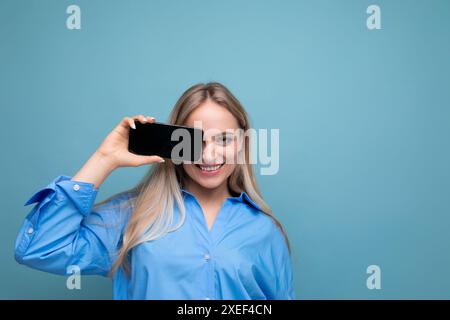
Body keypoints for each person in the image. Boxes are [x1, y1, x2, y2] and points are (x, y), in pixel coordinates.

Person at [14, 82, 295, 300]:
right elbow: (40, 247)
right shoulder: (132, 217)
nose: (209, 156)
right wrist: (104, 158)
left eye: (224, 139)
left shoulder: (265, 231)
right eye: (193, 141)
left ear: (242, 143)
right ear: (172, 143)